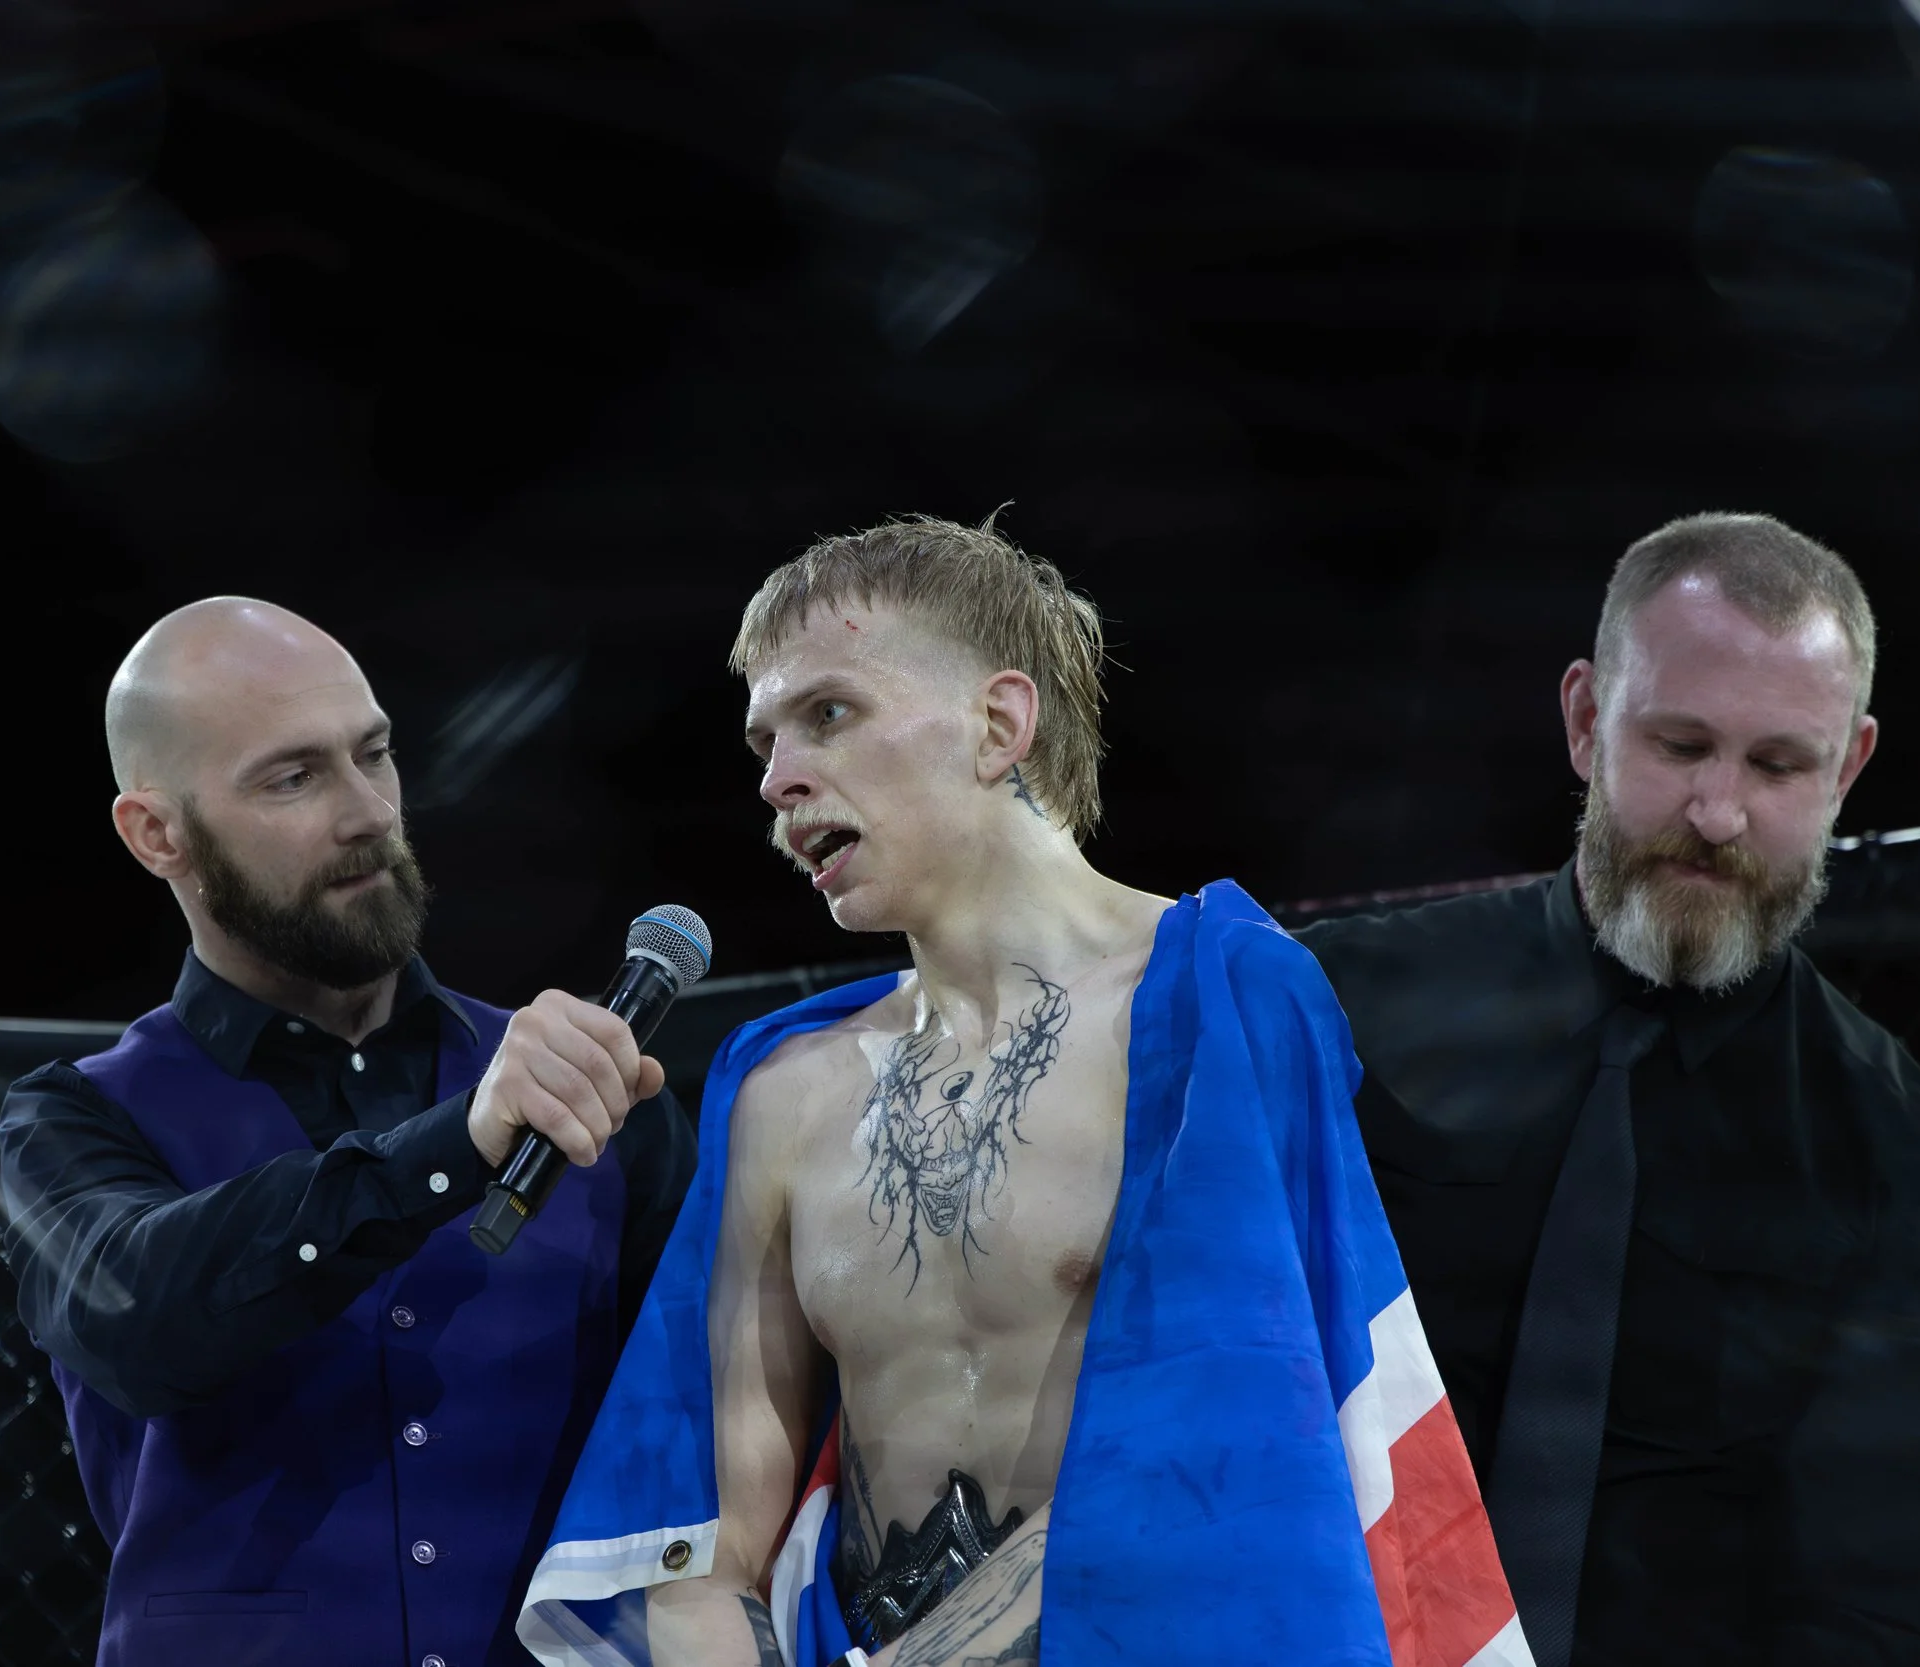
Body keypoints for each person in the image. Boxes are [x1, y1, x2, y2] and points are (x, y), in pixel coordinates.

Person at [517, 518, 1522, 1667]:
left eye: (828, 713)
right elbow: (702, 1543)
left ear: (999, 723)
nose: (776, 778)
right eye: (764, 739)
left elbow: (1226, 1434)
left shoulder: (1215, 996)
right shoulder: (780, 1088)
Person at [1297, 514, 1920, 1667]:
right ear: (1585, 718)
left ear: (1850, 766)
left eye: (1777, 765)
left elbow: (1869, 1608)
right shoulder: (1336, 1017)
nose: (1719, 813)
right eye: (1679, 745)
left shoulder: (1908, 1160)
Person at [0, 598, 695, 1667]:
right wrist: (452, 1147)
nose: (369, 809)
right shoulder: (74, 1117)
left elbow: (708, 1440)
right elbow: (143, 1319)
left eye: (374, 753)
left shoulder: (598, 1092)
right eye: (293, 777)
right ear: (157, 832)